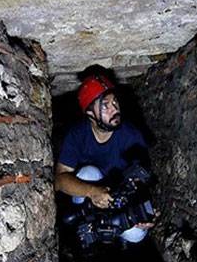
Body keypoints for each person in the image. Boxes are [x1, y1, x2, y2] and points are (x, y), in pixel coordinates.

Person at [54, 72, 155, 243]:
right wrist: (92, 192)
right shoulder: (77, 135)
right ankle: (85, 226)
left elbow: (140, 180)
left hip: (118, 198)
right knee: (88, 173)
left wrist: (144, 211)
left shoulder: (131, 135)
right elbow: (59, 180)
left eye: (115, 102)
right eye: (105, 106)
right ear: (90, 114)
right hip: (90, 195)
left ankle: (115, 234)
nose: (114, 109)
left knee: (137, 236)